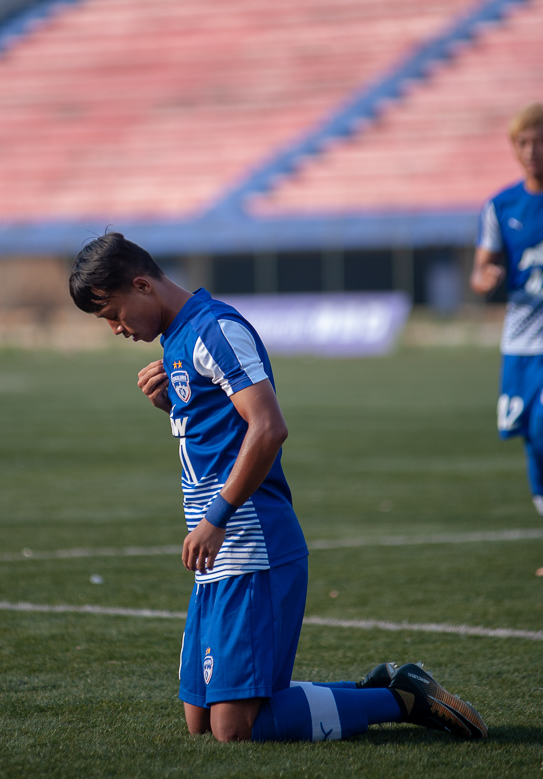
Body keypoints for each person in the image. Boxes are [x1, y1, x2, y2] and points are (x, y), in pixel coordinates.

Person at [70, 232, 487, 743]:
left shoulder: (214, 329)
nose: (115, 329)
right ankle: (372, 688)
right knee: (199, 720)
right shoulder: (176, 340)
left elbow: (268, 427)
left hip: (251, 544)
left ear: (142, 285)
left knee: (232, 729)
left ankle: (401, 700)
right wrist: (172, 408)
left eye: (113, 313)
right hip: (220, 556)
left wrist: (216, 517)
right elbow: (219, 432)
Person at [471, 103, 543, 534]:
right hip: (520, 346)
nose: (533, 151)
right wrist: (488, 278)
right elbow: (479, 271)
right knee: (533, 445)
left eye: (540, 142)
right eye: (524, 143)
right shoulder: (501, 205)